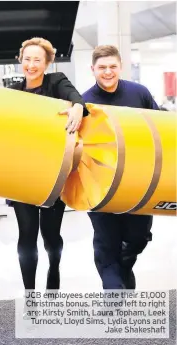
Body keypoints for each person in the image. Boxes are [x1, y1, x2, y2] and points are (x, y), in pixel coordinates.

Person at [7, 37, 88, 296]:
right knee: (27, 235)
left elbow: (77, 101)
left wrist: (77, 107)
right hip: (22, 175)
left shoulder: (57, 82)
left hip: (54, 174)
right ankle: (30, 296)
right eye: (27, 59)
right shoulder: (13, 92)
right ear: (21, 60)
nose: (31, 65)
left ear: (47, 63)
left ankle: (54, 270)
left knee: (51, 237)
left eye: (37, 60)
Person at [82, 45, 158, 290]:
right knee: (106, 242)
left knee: (138, 237)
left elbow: (160, 128)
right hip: (99, 186)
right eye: (102, 67)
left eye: (112, 66)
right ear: (92, 69)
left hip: (139, 182)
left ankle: (124, 264)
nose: (107, 72)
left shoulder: (140, 94)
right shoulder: (84, 102)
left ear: (120, 67)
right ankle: (113, 292)